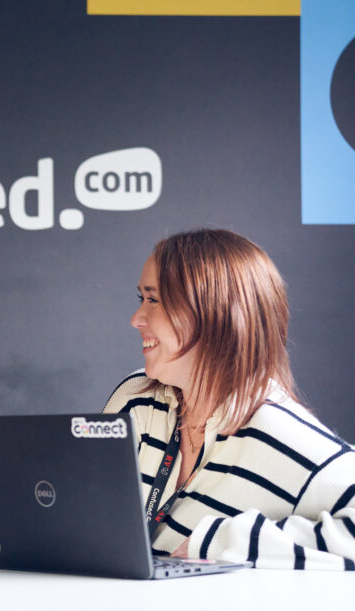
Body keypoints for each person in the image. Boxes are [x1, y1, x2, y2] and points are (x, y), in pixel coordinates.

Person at [104, 229, 355, 570]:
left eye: (153, 300)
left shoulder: (277, 430)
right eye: (141, 299)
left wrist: (226, 541)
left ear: (212, 313)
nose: (136, 319)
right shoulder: (135, 400)